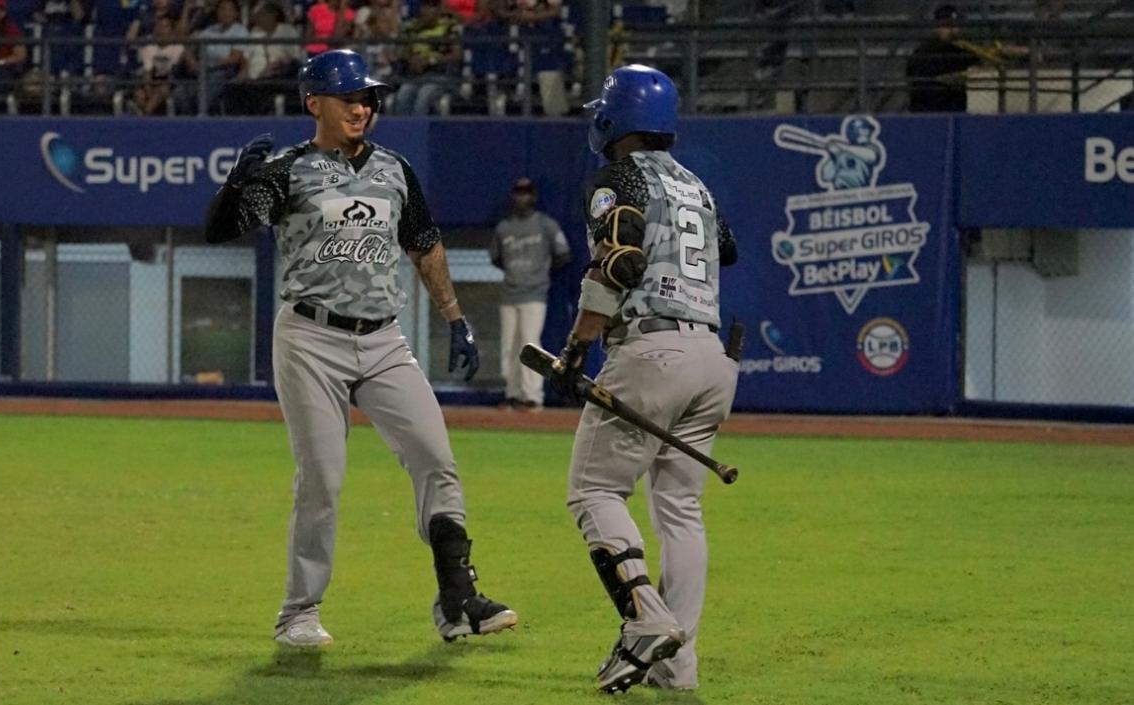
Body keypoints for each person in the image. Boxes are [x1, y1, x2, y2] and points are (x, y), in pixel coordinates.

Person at [203, 49, 517, 647]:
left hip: (382, 339)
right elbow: (222, 228)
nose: (362, 107)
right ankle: (299, 612)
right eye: (349, 97)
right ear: (313, 102)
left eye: (368, 98)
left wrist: (455, 317)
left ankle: (458, 600)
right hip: (310, 337)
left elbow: (424, 243)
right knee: (322, 476)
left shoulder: (394, 169)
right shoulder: (290, 168)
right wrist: (234, 186)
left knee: (436, 458)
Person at [551, 64, 739, 693]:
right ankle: (675, 668)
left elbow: (620, 258)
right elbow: (726, 249)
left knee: (594, 492)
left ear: (612, 119)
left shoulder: (617, 176)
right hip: (713, 357)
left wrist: (577, 345)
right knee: (681, 509)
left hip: (651, 348)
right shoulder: (699, 187)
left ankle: (646, 624)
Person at [489, 176, 569, 412]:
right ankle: (513, 394)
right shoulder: (504, 227)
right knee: (509, 345)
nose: (521, 196)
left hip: (535, 294)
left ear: (533, 196)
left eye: (526, 192)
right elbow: (496, 257)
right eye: (518, 192)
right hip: (509, 294)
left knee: (530, 344)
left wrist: (539, 274)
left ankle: (533, 396)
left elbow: (563, 254)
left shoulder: (546, 225)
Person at [906, 4, 1026, 113]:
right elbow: (921, 87)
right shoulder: (924, 51)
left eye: (956, 25)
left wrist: (1003, 54)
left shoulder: (961, 47)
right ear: (938, 26)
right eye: (947, 25)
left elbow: (983, 58)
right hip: (930, 111)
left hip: (956, 109)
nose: (952, 30)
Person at [391, 0, 461, 116]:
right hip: (416, 76)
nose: (427, 11)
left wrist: (431, 60)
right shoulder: (412, 26)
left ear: (439, 10)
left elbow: (457, 54)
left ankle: (420, 132)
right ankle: (403, 132)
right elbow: (402, 51)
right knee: (403, 94)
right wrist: (411, 59)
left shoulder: (450, 27)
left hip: (441, 75)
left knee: (424, 96)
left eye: (431, 7)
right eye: (424, 7)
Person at [133, 14, 184, 114]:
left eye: (165, 27)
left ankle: (144, 115)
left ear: (171, 30)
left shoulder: (178, 48)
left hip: (170, 82)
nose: (161, 30)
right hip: (152, 81)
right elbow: (147, 73)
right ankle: (147, 114)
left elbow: (174, 73)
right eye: (158, 27)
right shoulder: (148, 48)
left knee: (161, 91)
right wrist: (149, 89)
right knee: (139, 94)